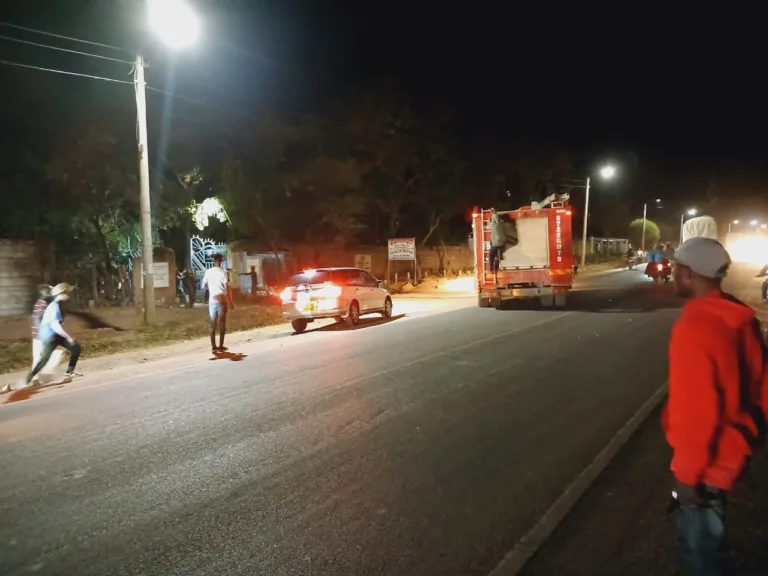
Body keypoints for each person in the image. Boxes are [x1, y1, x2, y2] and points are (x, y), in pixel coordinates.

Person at [664, 237, 765, 575]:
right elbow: (762, 384)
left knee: (702, 555)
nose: (673, 274)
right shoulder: (739, 318)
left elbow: (696, 413)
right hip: (733, 450)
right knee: (713, 549)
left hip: (706, 464)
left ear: (689, 274)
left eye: (677, 268)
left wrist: (689, 477)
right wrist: (751, 435)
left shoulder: (694, 327)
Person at [19, 283, 82, 389]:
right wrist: (68, 337)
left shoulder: (57, 304)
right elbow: (55, 326)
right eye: (67, 292)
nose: (69, 295)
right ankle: (27, 380)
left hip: (54, 334)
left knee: (76, 347)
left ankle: (70, 372)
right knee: (44, 360)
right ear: (62, 294)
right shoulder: (53, 306)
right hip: (49, 336)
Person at [30, 284, 64, 385]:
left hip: (37, 335)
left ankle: (35, 379)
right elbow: (39, 320)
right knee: (57, 353)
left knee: (37, 357)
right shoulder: (44, 305)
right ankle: (47, 376)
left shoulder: (39, 303)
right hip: (42, 336)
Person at [202, 255, 234, 353]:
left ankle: (213, 346)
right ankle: (221, 345)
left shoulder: (208, 272)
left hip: (212, 301)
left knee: (213, 324)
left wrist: (211, 289)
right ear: (222, 261)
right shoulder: (224, 272)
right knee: (222, 323)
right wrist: (230, 301)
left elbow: (203, 286)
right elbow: (227, 289)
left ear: (213, 260)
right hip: (222, 301)